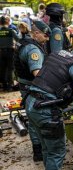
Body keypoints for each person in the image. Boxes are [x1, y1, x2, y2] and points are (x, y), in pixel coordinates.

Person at [14, 20, 50, 161]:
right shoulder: (33, 49)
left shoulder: (24, 42)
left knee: (32, 118)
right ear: (36, 33)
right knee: (36, 120)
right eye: (45, 35)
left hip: (25, 86)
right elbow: (37, 73)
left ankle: (38, 149)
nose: (47, 38)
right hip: (32, 88)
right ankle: (39, 151)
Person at [0, 15, 20, 91]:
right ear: (7, 22)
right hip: (10, 52)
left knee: (2, 68)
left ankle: (3, 85)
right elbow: (18, 39)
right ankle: (9, 86)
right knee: (10, 69)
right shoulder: (10, 30)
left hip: (1, 52)